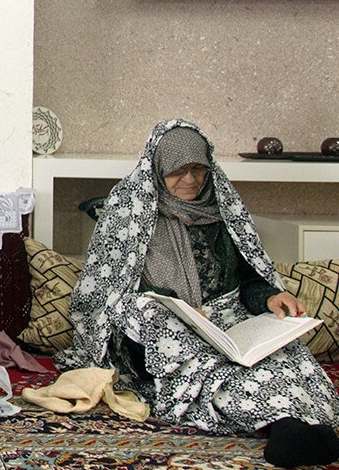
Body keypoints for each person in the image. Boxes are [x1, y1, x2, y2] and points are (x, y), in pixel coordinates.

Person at [55, 119, 339, 468]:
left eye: (198, 169)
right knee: (167, 329)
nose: (190, 179)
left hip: (225, 322)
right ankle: (281, 425)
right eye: (178, 171)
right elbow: (108, 288)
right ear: (158, 169)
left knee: (280, 354)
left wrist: (269, 297)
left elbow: (248, 277)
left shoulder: (222, 212)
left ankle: (300, 426)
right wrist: (177, 308)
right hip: (161, 330)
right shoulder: (129, 211)